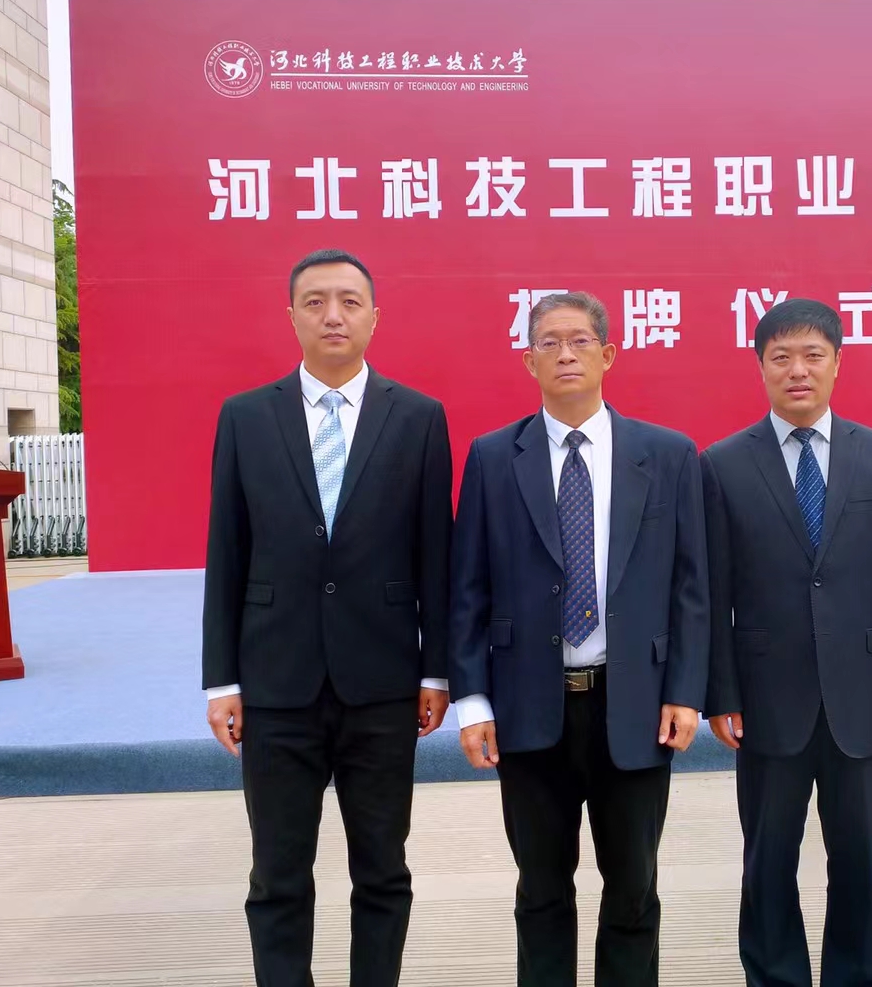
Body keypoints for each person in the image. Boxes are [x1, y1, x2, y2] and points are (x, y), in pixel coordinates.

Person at [201, 248, 453, 987]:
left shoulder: (418, 417)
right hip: (276, 682)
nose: (333, 315)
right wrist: (222, 681)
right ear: (292, 317)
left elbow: (435, 554)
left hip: (383, 682)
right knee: (278, 874)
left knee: (383, 871)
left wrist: (436, 669)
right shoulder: (247, 416)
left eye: (349, 301)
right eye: (315, 302)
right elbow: (227, 551)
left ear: (375, 316)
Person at [447, 290, 710, 987]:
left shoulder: (667, 455)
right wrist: (472, 701)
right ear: (528, 360)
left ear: (608, 354)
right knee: (540, 890)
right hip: (529, 709)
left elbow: (692, 587)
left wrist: (685, 691)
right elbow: (468, 587)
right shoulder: (493, 457)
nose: (565, 354)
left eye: (580, 341)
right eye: (550, 343)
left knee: (633, 889)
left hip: (635, 705)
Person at [700, 297, 872, 987]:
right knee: (767, 860)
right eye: (781, 357)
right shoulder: (722, 463)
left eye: (813, 355)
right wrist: (721, 693)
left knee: (861, 860)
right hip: (766, 700)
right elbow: (712, 594)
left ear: (838, 363)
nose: (797, 370)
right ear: (761, 367)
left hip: (862, 698)